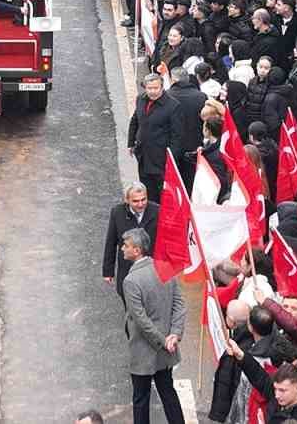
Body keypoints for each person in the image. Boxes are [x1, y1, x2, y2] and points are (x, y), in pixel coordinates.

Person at [119, 228, 187, 424]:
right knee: (168, 392)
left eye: (126, 246)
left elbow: (140, 319)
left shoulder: (131, 281)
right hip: (166, 348)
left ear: (137, 250)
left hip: (144, 349)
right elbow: (179, 304)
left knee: (141, 399)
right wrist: (173, 335)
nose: (123, 249)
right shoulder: (165, 268)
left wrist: (162, 341)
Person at [102, 183, 160, 301]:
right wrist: (108, 271)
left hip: (150, 269)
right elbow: (111, 242)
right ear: (127, 200)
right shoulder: (117, 213)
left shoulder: (157, 211)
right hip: (127, 269)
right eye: (135, 201)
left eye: (143, 199)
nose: (140, 204)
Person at [128, 74, 182, 200]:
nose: (152, 91)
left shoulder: (173, 106)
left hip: (160, 158)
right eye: (149, 88)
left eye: (155, 88)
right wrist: (131, 143)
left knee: (162, 193)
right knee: (147, 187)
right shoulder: (140, 99)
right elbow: (135, 120)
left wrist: (171, 159)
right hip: (143, 154)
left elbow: (177, 136)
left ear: (162, 87)